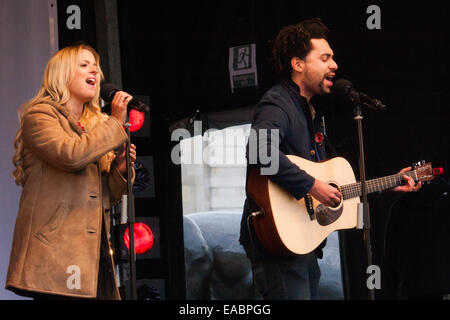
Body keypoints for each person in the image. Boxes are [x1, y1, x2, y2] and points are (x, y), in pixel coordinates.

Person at [239, 18, 421, 300]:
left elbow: (337, 187)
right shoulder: (277, 103)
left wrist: (388, 186)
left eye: (333, 58)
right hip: (277, 242)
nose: (334, 65)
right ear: (298, 64)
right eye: (325, 58)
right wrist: (312, 186)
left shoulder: (314, 114)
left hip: (302, 242)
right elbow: (261, 153)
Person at [6, 43, 137, 300]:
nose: (95, 70)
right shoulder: (40, 115)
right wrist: (115, 123)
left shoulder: (95, 127)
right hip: (55, 257)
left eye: (96, 66)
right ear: (62, 74)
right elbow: (71, 156)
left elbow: (104, 198)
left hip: (92, 257)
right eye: (84, 64)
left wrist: (120, 169)